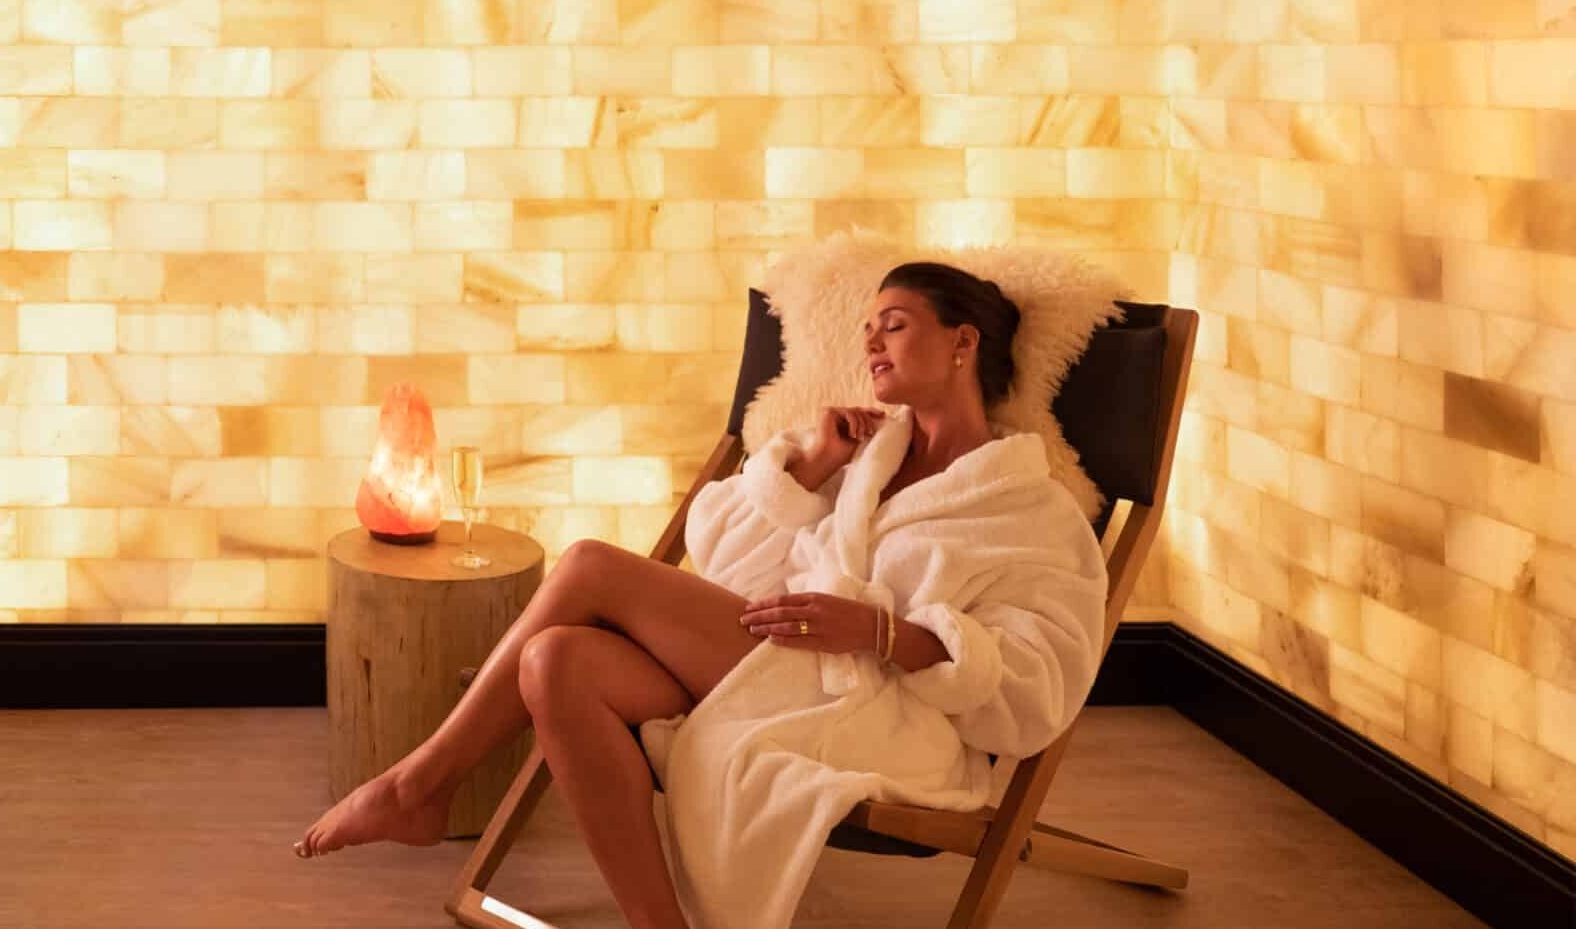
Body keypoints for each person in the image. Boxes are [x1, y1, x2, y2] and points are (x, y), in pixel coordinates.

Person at [292, 262, 1111, 929]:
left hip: (885, 710)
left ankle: (418, 785)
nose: (871, 341)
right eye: (865, 327)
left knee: (586, 566)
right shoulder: (859, 457)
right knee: (554, 662)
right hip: (775, 665)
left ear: (963, 340)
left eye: (892, 322)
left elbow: (1042, 684)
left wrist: (883, 631)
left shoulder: (1029, 508)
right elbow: (723, 557)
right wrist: (811, 470)